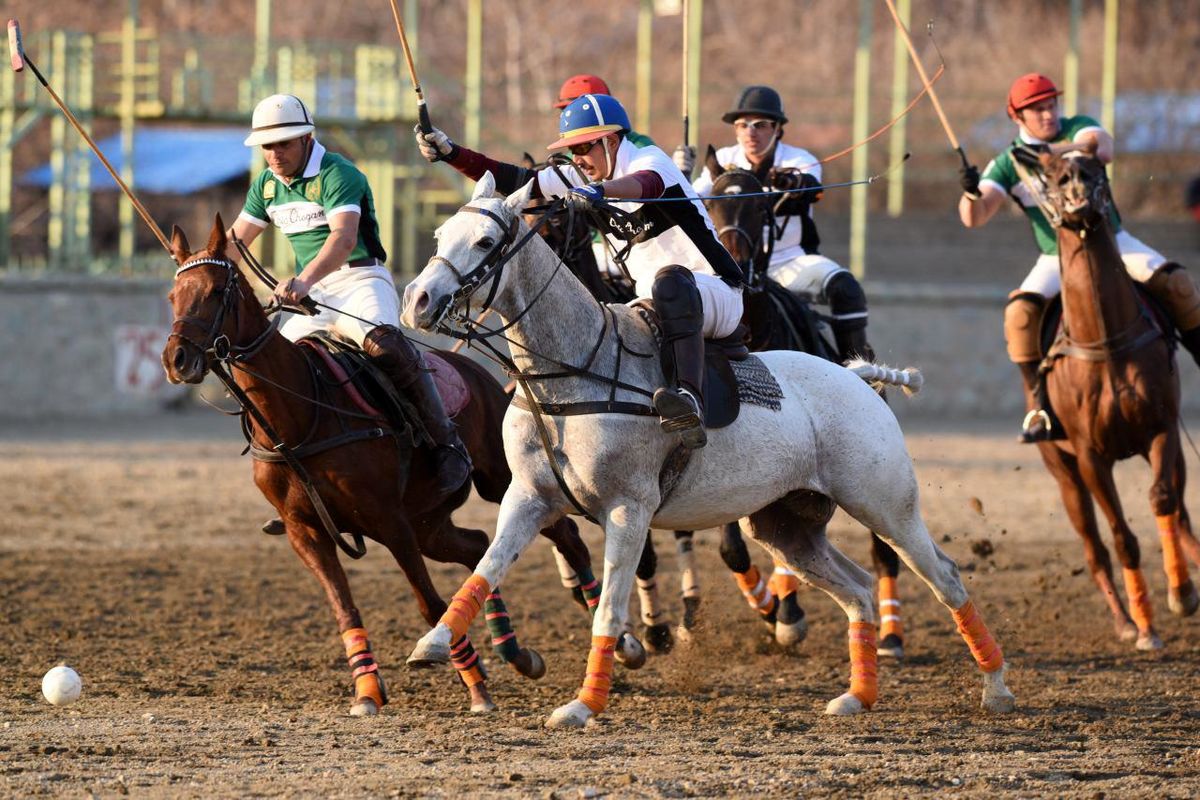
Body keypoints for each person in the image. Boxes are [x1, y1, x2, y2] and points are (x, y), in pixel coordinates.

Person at [415, 92, 746, 449]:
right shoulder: (578, 174)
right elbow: (516, 179)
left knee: (669, 281)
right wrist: (452, 154)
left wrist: (599, 190)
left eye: (585, 148)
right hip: (650, 304)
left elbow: (644, 184)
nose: (578, 159)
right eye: (573, 151)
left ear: (611, 140)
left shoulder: (650, 161)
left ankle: (689, 400)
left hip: (714, 293)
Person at [228, 94, 471, 509]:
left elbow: (342, 240)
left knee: (386, 348)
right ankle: (295, 475)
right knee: (273, 368)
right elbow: (234, 242)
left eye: (283, 144)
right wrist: (198, 263)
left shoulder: (339, 174)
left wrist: (302, 282)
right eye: (267, 146)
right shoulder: (266, 186)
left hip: (360, 278)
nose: (274, 154)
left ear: (307, 138)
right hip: (314, 292)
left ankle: (444, 444)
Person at [959, 73, 1200, 442]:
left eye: (1051, 104)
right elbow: (974, 218)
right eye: (1036, 109)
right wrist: (971, 192)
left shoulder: (1077, 129)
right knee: (1018, 315)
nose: (1047, 114)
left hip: (1113, 242)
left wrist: (1050, 152)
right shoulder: (1007, 163)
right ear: (1016, 117)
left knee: (1179, 284)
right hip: (1058, 258)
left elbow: (1101, 148)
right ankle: (1038, 406)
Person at [691, 85, 876, 364]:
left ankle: (861, 372)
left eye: (760, 125)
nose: (751, 132)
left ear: (777, 129)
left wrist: (794, 183)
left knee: (846, 288)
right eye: (743, 125)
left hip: (788, 263)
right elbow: (694, 198)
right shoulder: (723, 162)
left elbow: (812, 186)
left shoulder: (798, 160)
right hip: (734, 267)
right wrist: (679, 171)